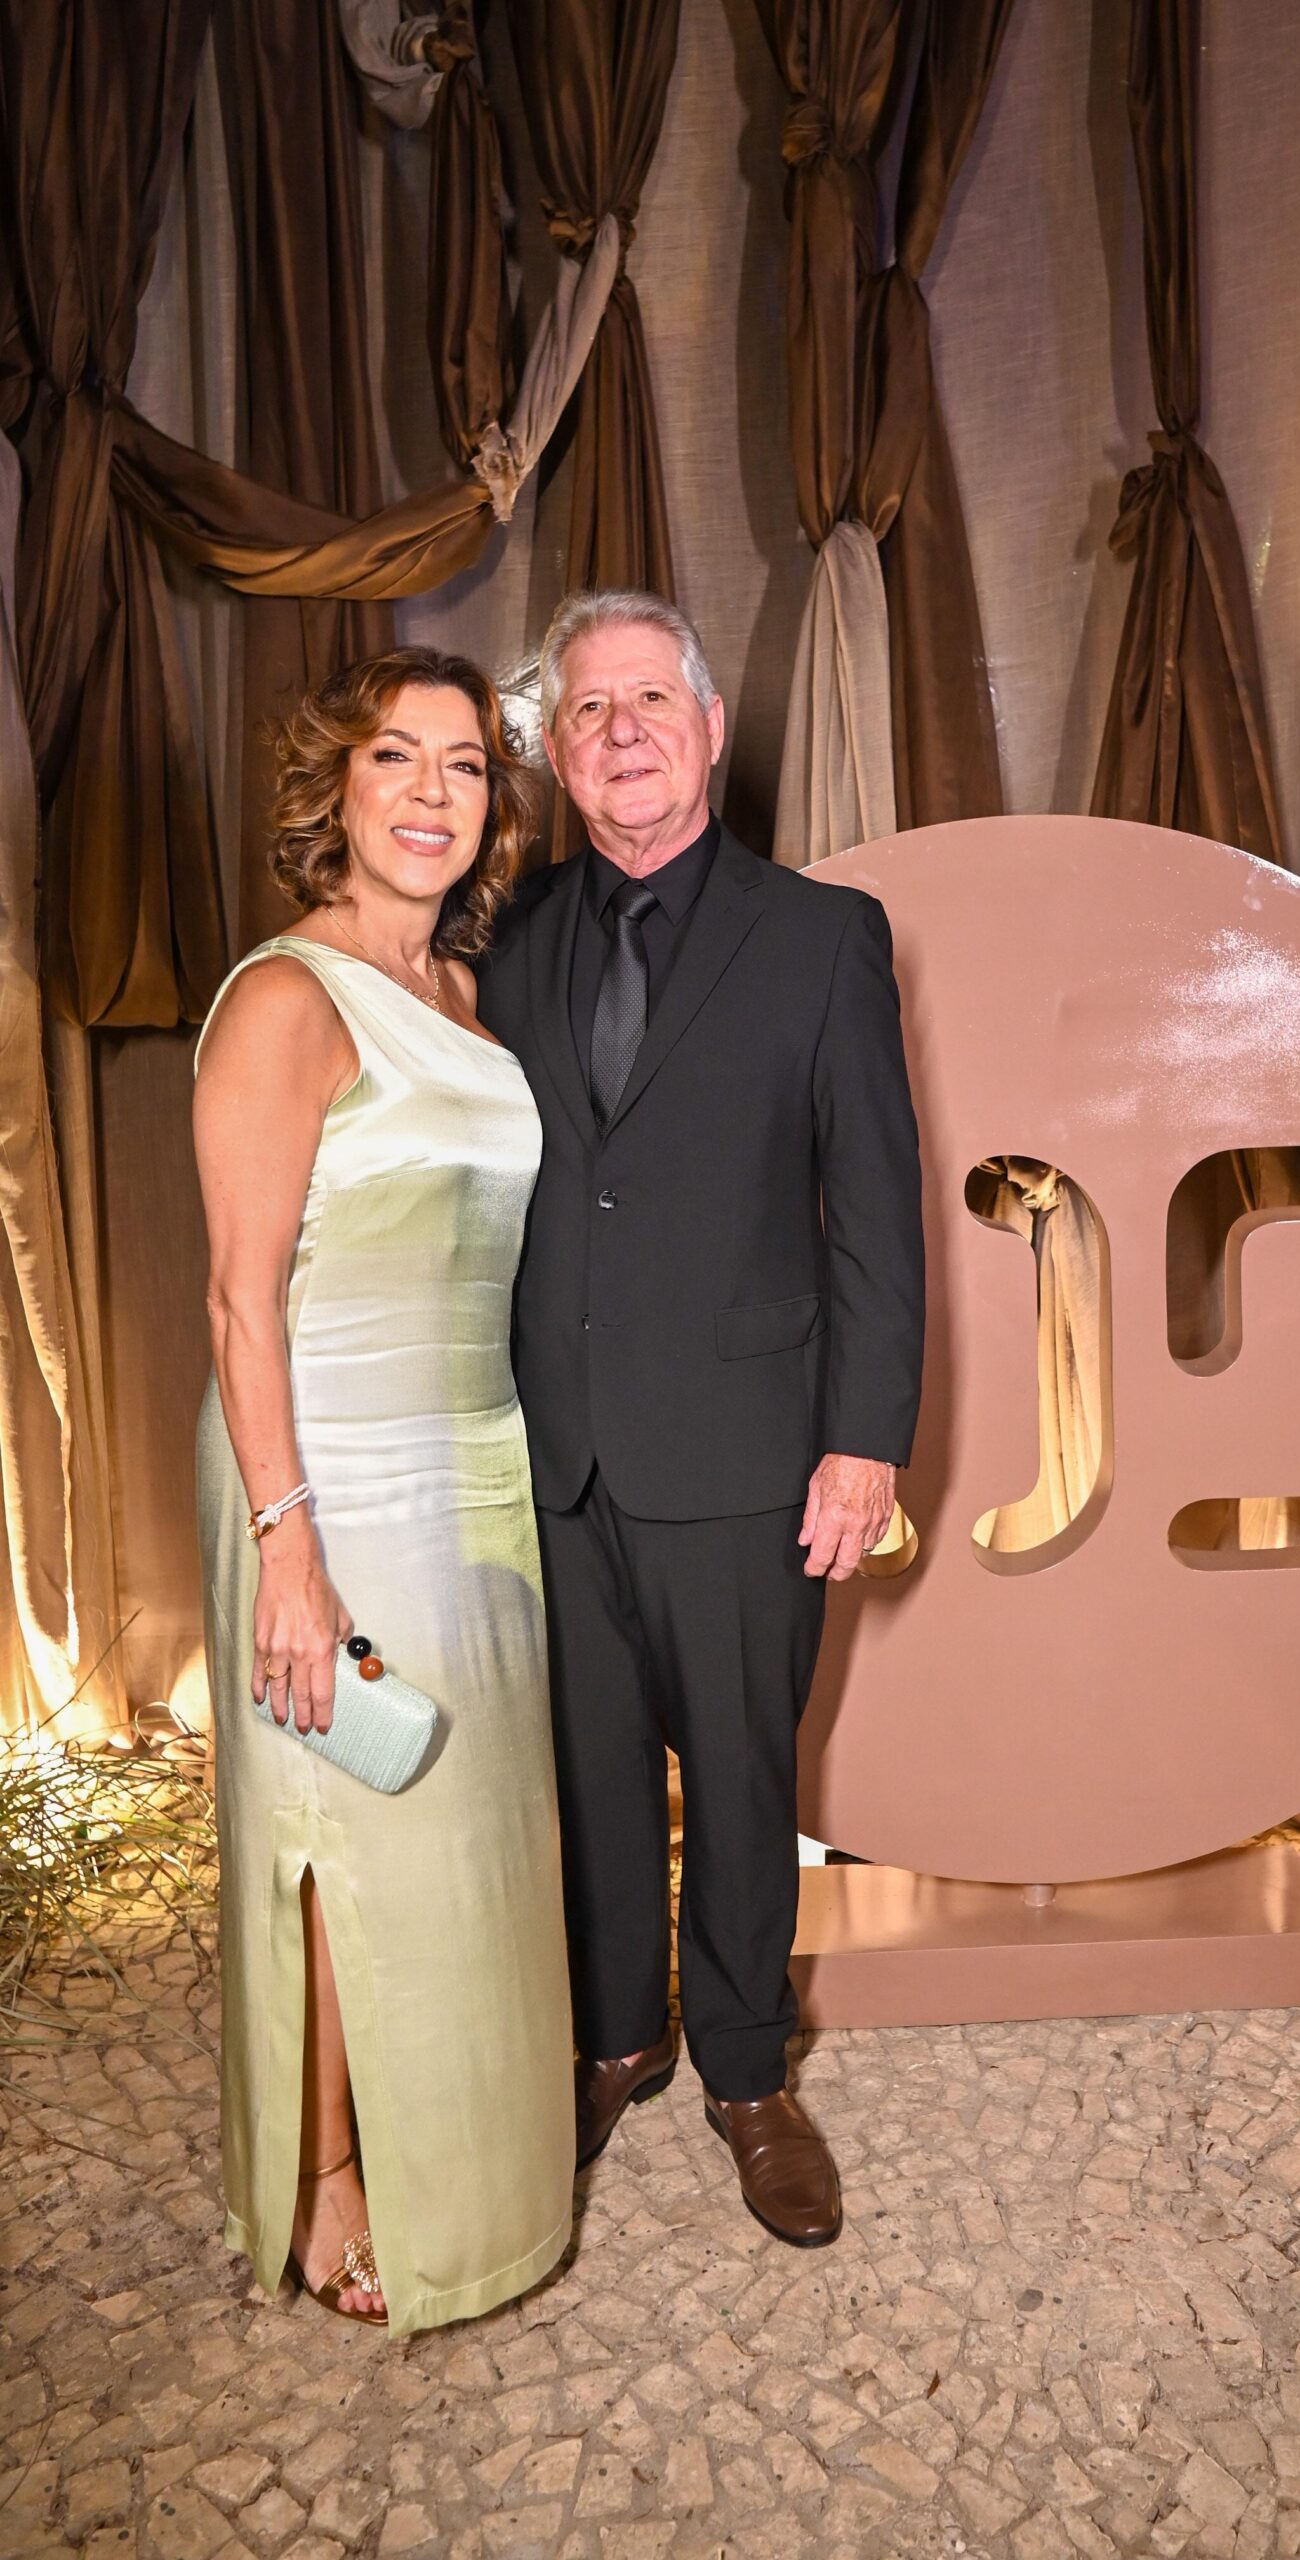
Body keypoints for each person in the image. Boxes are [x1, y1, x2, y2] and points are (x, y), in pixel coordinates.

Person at [476, 590, 925, 2248]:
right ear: (556, 751)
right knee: (588, 1768)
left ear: (713, 728)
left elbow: (875, 1211)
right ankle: (615, 2038)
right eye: (587, 710)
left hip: (747, 1446)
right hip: (550, 1446)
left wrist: (865, 1440)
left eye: (650, 700)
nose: (621, 733)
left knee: (739, 1773)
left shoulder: (823, 936)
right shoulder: (504, 935)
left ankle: (745, 2070)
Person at [193, 646, 575, 2332]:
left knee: (456, 1833)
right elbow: (236, 1299)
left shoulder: (466, 995)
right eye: (395, 759)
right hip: (325, 1471)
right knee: (343, 1823)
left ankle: (470, 2171)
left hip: (473, 1463)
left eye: (466, 764)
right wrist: (288, 1547)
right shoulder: (287, 998)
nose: (433, 793)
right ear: (333, 792)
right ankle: (330, 2177)